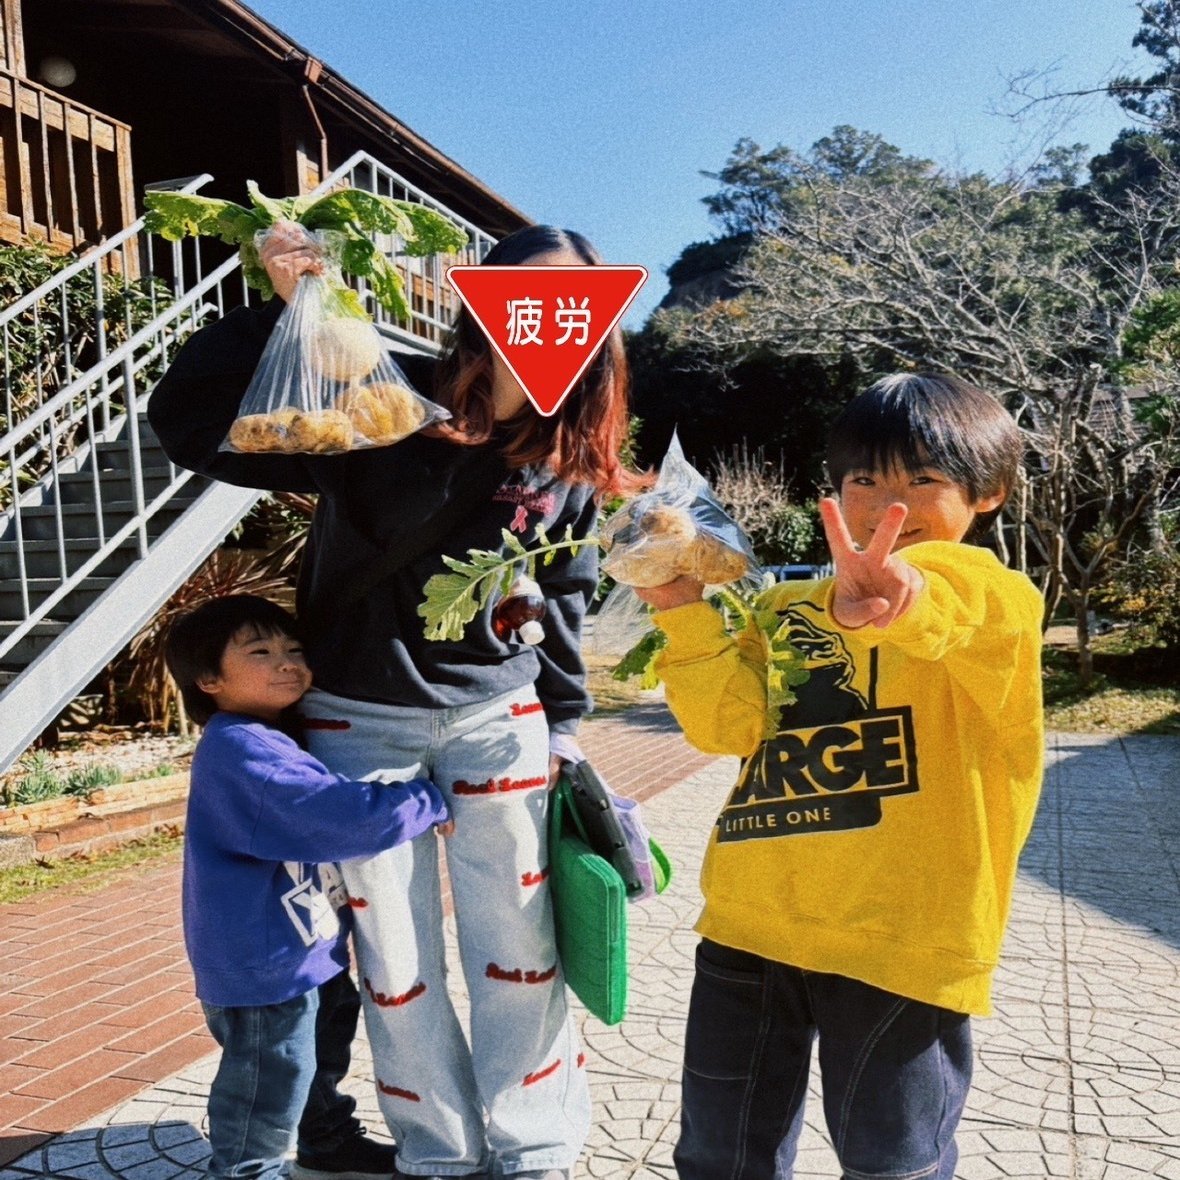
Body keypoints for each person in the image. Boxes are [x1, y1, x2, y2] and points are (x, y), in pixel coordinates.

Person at [148, 223, 646, 1180]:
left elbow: (565, 591)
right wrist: (282, 314)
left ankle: (534, 1146)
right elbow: (192, 424)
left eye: (575, 299)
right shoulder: (384, 392)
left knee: (521, 942)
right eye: (529, 291)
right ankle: (439, 1152)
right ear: (487, 299)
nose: (550, 313)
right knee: (394, 955)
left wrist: (567, 723)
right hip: (357, 720)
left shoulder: (569, 441)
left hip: (498, 720)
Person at [635, 373, 1045, 1180]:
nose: (890, 502)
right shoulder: (789, 610)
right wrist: (681, 607)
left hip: (902, 943)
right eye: (865, 479)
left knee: (891, 1164)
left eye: (923, 479)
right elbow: (727, 729)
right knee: (718, 1156)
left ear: (988, 492)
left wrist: (903, 596)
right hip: (750, 925)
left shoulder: (999, 600)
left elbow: (947, 605)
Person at [164, 594, 451, 1180]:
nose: (287, 662)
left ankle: (326, 1142)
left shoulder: (274, 734)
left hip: (304, 947)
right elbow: (333, 818)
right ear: (209, 679)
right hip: (262, 959)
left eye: (294, 649)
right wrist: (425, 798)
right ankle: (247, 1169)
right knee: (268, 1078)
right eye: (260, 652)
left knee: (317, 1055)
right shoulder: (240, 749)